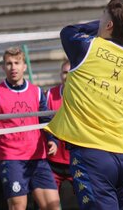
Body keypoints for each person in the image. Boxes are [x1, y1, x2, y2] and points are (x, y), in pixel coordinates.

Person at [44, 0, 123, 209]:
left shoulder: (87, 48)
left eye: (102, 16)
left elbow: (68, 31)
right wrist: (121, 27)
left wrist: (103, 27)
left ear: (109, 24)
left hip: (91, 154)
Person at [0, 47, 60, 210]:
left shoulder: (37, 92)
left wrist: (52, 140)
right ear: (3, 67)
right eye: (9, 64)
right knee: (18, 206)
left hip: (37, 157)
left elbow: (46, 120)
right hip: (12, 158)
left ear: (24, 66)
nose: (13, 67)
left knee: (53, 205)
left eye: (17, 63)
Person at [45, 61, 74, 195]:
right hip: (53, 161)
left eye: (71, 72)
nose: (67, 76)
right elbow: (43, 122)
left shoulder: (85, 96)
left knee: (90, 203)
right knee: (48, 204)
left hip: (77, 161)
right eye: (64, 72)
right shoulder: (49, 95)